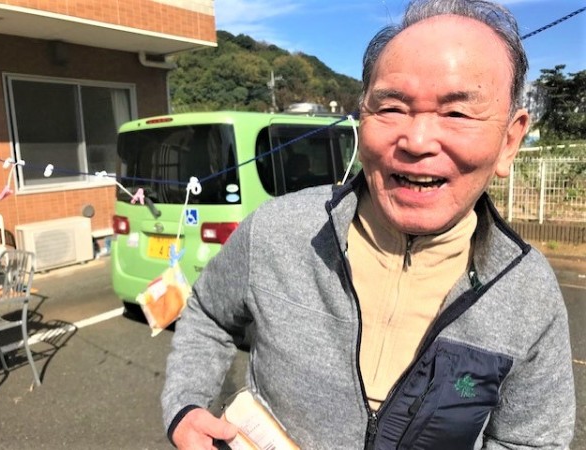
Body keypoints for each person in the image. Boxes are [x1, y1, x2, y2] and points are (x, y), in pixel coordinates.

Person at [161, 0, 576, 448]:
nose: (417, 141)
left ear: (510, 141)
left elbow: (530, 440)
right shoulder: (278, 231)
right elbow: (208, 311)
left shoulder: (527, 292)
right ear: (362, 118)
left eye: (456, 113)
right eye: (392, 108)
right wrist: (186, 404)